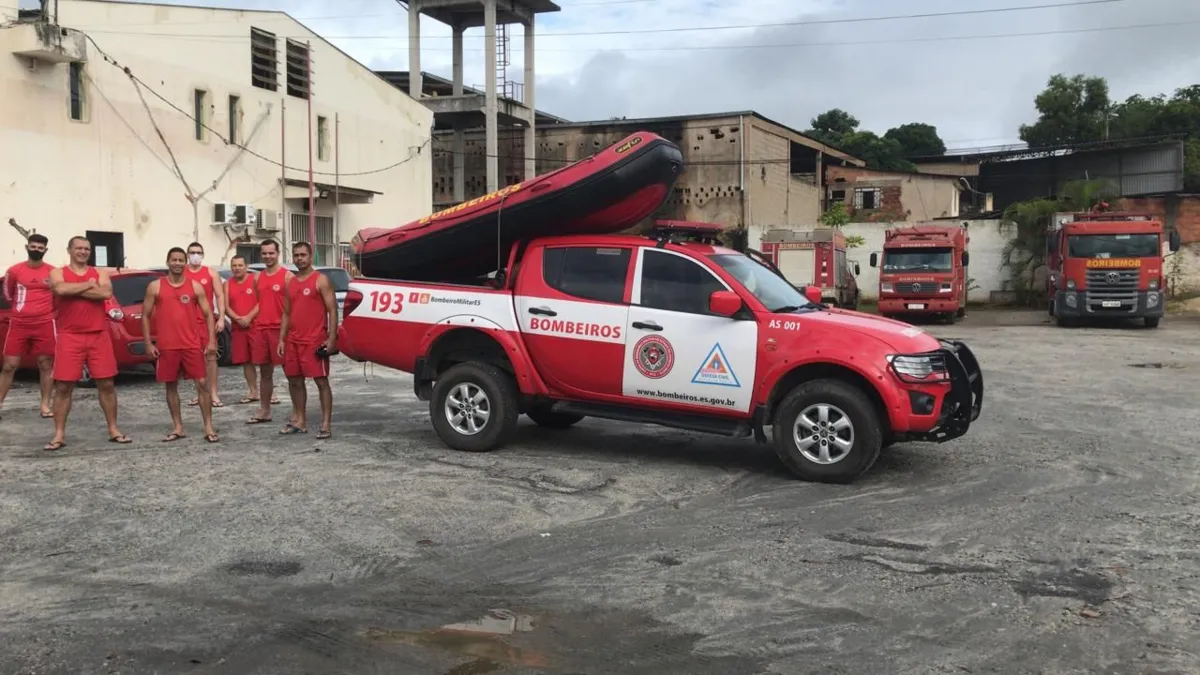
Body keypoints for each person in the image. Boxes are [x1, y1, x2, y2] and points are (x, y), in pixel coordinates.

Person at [44, 236, 130, 450]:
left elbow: (106, 292)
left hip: (98, 335)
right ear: (69, 250)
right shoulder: (58, 272)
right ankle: (59, 434)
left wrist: (76, 288)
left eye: (86, 249)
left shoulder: (100, 273)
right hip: (69, 335)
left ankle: (113, 429)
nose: (83, 252)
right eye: (79, 248)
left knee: (107, 384)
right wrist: (88, 286)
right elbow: (60, 290)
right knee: (63, 386)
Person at [142, 247, 219, 443]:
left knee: (202, 384)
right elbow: (145, 315)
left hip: (191, 345)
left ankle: (208, 426)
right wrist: (148, 343)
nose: (177, 263)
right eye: (173, 260)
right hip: (167, 346)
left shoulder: (195, 287)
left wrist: (211, 340)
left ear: (185, 263)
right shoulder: (155, 286)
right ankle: (178, 426)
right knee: (171, 386)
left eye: (180, 260)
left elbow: (209, 314)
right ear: (168, 262)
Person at [278, 241, 336, 438]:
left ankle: (326, 424)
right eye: (296, 255)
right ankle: (300, 421)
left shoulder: (321, 280)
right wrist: (282, 339)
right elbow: (286, 313)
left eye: (303, 255)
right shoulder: (291, 282)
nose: (299, 259)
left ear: (311, 257)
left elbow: (333, 310)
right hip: (293, 340)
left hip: (314, 340)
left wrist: (331, 339)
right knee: (294, 381)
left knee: (321, 382)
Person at [0, 234, 56, 418]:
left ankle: (45, 406)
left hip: (45, 323)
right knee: (9, 366)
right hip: (19, 324)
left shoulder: (53, 272)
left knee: (45, 364)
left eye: (40, 248)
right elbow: (7, 294)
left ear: (45, 250)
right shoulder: (15, 271)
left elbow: (59, 295)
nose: (36, 250)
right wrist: (21, 311)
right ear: (27, 247)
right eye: (33, 246)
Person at [246, 239, 290, 426]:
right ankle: (265, 410)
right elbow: (261, 303)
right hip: (262, 330)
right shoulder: (257, 278)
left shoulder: (288, 277)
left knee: (292, 373)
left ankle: (298, 412)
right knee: (265, 373)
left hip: (281, 330)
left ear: (278, 253)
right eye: (264, 253)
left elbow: (292, 307)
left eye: (271, 253)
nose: (268, 256)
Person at [182, 241, 226, 408]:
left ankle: (213, 393)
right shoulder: (182, 272)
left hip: (205, 321)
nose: (195, 255)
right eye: (192, 252)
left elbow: (220, 296)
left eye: (198, 252)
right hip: (187, 323)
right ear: (187, 254)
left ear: (203, 254)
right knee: (195, 358)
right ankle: (200, 392)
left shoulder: (210, 273)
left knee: (211, 357)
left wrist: (221, 317)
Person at [224, 255, 260, 404]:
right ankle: (253, 391)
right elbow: (225, 307)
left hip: (256, 326)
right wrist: (238, 318)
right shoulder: (227, 284)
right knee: (246, 361)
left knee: (262, 361)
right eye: (234, 266)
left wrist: (249, 317)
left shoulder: (255, 280)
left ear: (246, 266)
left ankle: (269, 393)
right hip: (238, 328)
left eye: (240, 265)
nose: (237, 268)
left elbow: (262, 301)